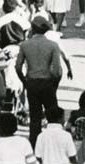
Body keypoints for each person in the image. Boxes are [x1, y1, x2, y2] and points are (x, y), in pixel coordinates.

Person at [15, 14, 66, 147]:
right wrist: (54, 84)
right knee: (53, 117)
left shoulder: (25, 45)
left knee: (35, 118)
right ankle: (52, 144)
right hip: (47, 82)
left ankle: (34, 146)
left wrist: (25, 82)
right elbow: (57, 71)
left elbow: (18, 67)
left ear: (32, 28)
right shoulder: (52, 45)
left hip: (32, 82)